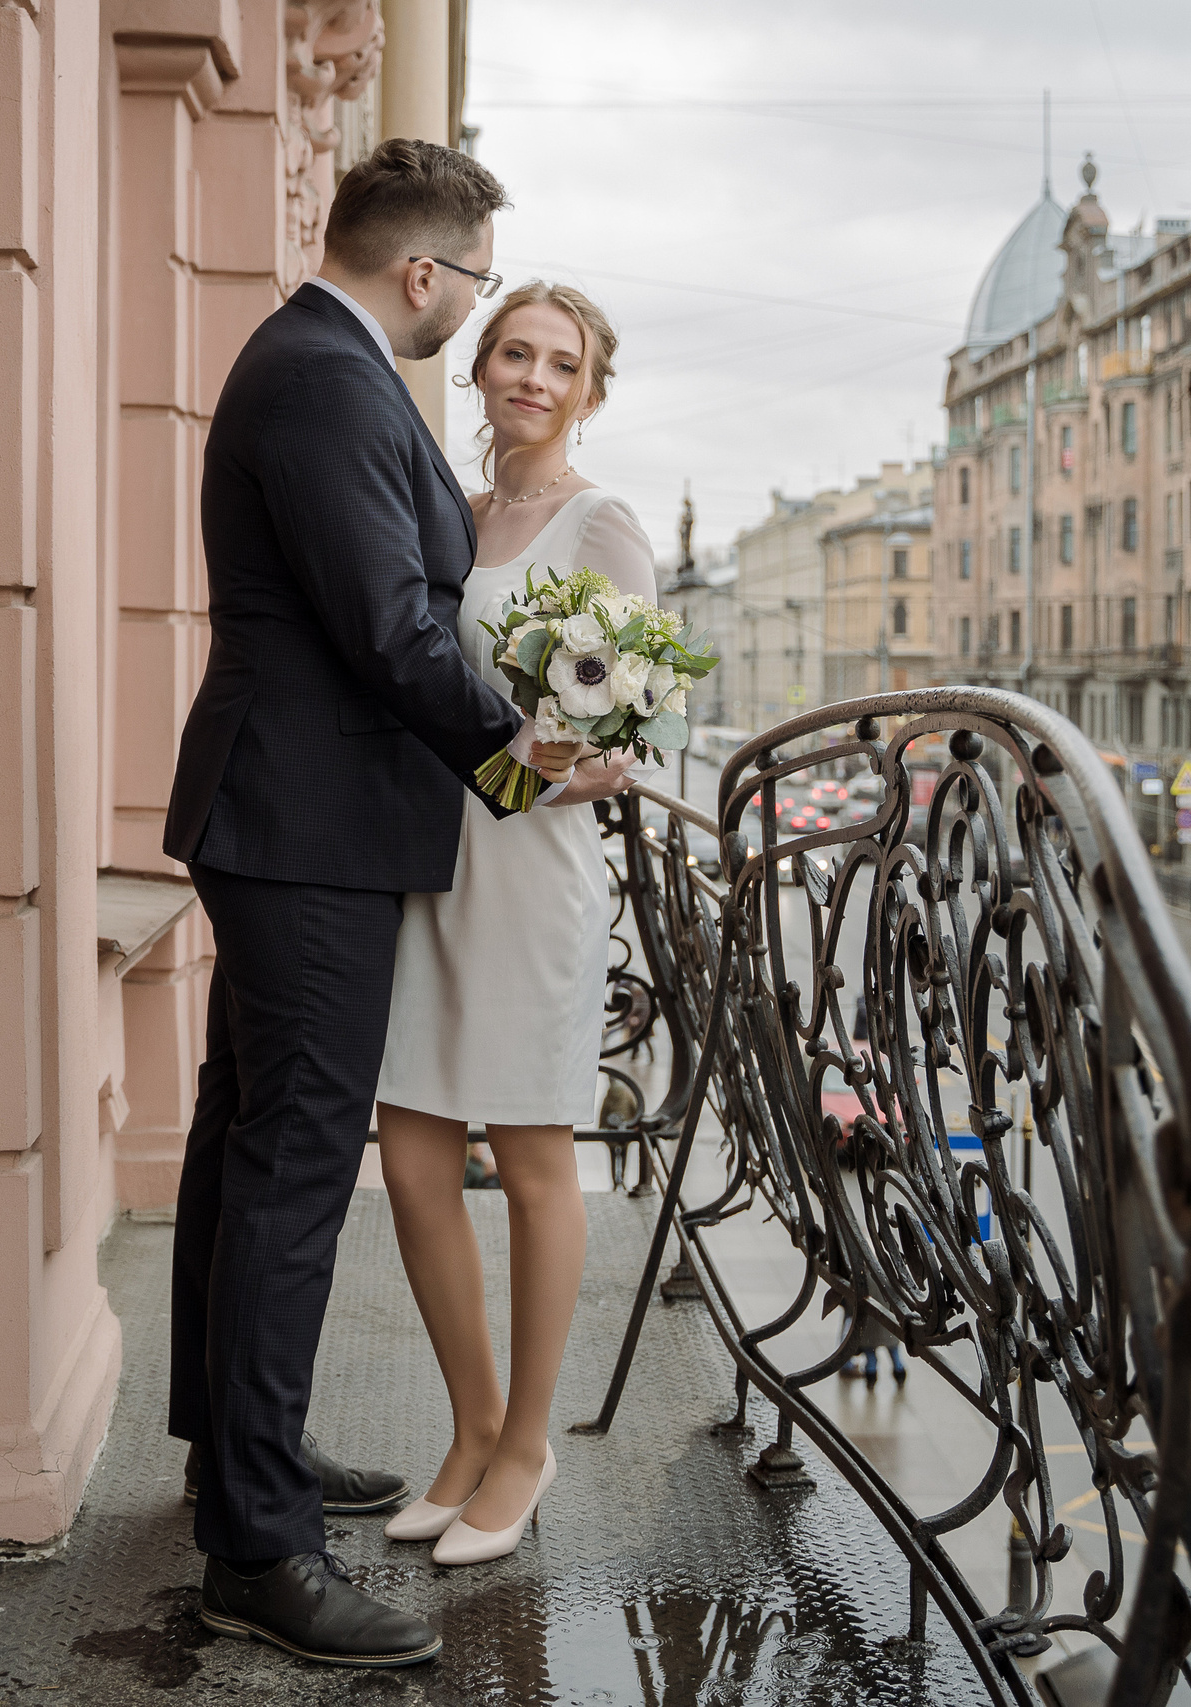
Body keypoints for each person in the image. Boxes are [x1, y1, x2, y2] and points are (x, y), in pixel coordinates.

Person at [160, 139, 629, 1668]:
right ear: (425, 273)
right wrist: (515, 770)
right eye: (478, 291)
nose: (476, 317)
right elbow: (390, 630)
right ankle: (258, 1550)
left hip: (304, 821)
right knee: (290, 1168)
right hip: (309, 828)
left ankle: (240, 1459)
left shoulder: (323, 368)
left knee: (247, 1137)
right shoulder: (327, 377)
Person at [376, 281, 647, 1569]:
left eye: (561, 362)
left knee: (535, 1163)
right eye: (515, 354)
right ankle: (472, 1426)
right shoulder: (454, 514)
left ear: (589, 390)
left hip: (531, 877)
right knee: (412, 1157)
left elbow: (618, 747)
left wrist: (493, 771)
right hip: (424, 866)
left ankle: (528, 1446)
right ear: (480, 368)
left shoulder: (602, 525)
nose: (534, 377)